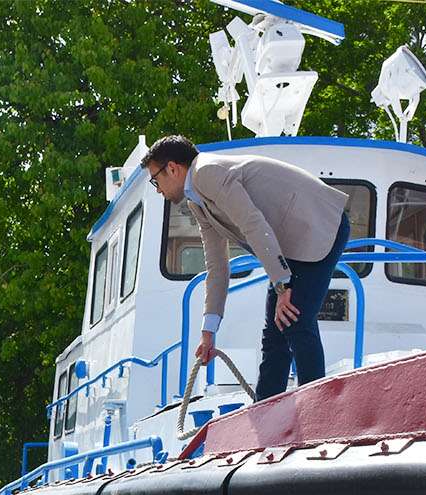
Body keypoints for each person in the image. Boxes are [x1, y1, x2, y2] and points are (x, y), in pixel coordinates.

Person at [141, 135, 351, 399]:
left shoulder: (207, 172)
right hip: (291, 245)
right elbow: (217, 264)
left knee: (295, 320)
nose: (157, 188)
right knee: (274, 334)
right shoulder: (197, 200)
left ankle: (318, 410)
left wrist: (282, 283)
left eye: (155, 179)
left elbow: (252, 223)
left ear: (173, 168)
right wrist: (209, 331)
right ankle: (266, 412)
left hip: (319, 227)